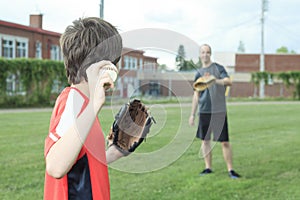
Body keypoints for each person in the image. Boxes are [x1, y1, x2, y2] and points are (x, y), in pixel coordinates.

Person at [44, 17, 124, 200]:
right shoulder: (74, 101)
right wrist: (95, 105)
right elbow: (55, 166)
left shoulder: (83, 104)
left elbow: (82, 164)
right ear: (104, 67)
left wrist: (114, 153)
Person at [189, 44, 241, 179]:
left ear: (210, 54)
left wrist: (214, 81)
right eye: (203, 52)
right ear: (200, 55)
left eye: (207, 52)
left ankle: (231, 170)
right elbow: (196, 95)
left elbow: (228, 81)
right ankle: (208, 168)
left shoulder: (218, 68)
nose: (205, 54)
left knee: (224, 142)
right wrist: (192, 114)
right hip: (204, 111)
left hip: (219, 111)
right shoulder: (198, 73)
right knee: (205, 141)